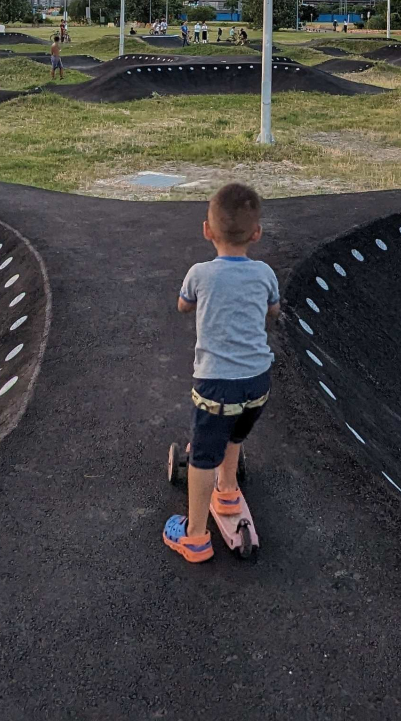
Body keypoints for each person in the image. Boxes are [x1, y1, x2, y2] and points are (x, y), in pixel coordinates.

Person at [164, 183, 280, 563]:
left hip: (216, 385)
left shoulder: (199, 274)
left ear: (207, 231)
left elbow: (183, 306)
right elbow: (274, 312)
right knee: (235, 430)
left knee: (202, 455)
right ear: (257, 233)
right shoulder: (264, 273)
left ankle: (195, 536)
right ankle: (227, 490)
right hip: (258, 384)